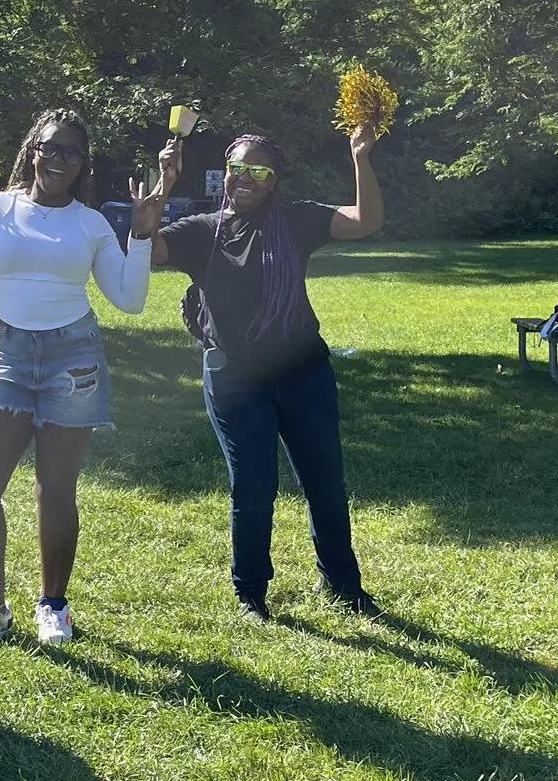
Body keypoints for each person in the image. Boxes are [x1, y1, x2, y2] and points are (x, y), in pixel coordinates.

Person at [0, 109, 172, 646]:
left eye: (71, 153)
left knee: (55, 489)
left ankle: (53, 606)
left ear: (82, 165)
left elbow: (129, 300)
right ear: (32, 150)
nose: (57, 159)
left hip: (72, 360)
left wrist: (144, 234)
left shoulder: (91, 223)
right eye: (49, 148)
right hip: (7, 356)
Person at [151, 115, 384, 625]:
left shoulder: (297, 221)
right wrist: (163, 185)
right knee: (254, 486)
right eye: (236, 168)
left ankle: (344, 584)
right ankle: (251, 592)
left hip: (303, 373)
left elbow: (365, 222)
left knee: (325, 482)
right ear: (225, 173)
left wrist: (360, 158)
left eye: (258, 172)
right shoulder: (201, 232)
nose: (244, 178)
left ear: (273, 181)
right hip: (235, 379)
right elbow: (144, 246)